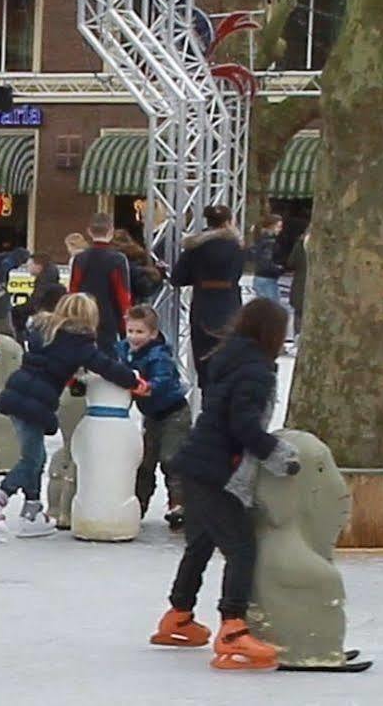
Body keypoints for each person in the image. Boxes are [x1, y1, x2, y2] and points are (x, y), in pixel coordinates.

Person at [151, 298, 298, 671]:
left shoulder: (231, 358)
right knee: (242, 547)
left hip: (197, 462)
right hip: (217, 469)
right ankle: (233, 628)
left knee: (200, 544)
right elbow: (243, 425)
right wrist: (279, 456)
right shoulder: (256, 370)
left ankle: (178, 615)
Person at [0, 293, 142, 541]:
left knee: (36, 456)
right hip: (34, 402)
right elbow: (106, 366)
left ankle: (31, 512)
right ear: (90, 318)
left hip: (18, 393)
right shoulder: (80, 343)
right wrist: (134, 381)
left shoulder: (44, 331)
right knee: (31, 460)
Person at [126, 304, 191, 528]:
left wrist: (147, 386)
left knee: (172, 459)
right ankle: (137, 505)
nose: (134, 337)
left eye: (140, 332)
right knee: (145, 462)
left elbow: (162, 379)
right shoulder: (126, 351)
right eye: (130, 331)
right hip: (152, 416)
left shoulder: (159, 356)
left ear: (153, 333)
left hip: (174, 413)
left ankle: (179, 504)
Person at [174, 206, 247, 385]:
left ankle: (207, 400)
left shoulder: (194, 247)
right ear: (230, 221)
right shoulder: (238, 247)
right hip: (230, 305)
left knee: (203, 356)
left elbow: (178, 278)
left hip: (203, 305)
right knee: (228, 358)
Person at [70, 214, 135, 350]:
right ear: (111, 231)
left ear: (89, 231)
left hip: (84, 315)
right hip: (108, 317)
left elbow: (74, 290)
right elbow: (122, 293)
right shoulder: (118, 259)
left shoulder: (80, 258)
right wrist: (125, 324)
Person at [248, 213, 286, 308]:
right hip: (268, 278)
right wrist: (279, 269)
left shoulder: (259, 239)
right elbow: (266, 262)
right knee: (272, 310)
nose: (280, 230)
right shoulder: (269, 242)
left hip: (260, 276)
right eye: (278, 227)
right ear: (271, 226)